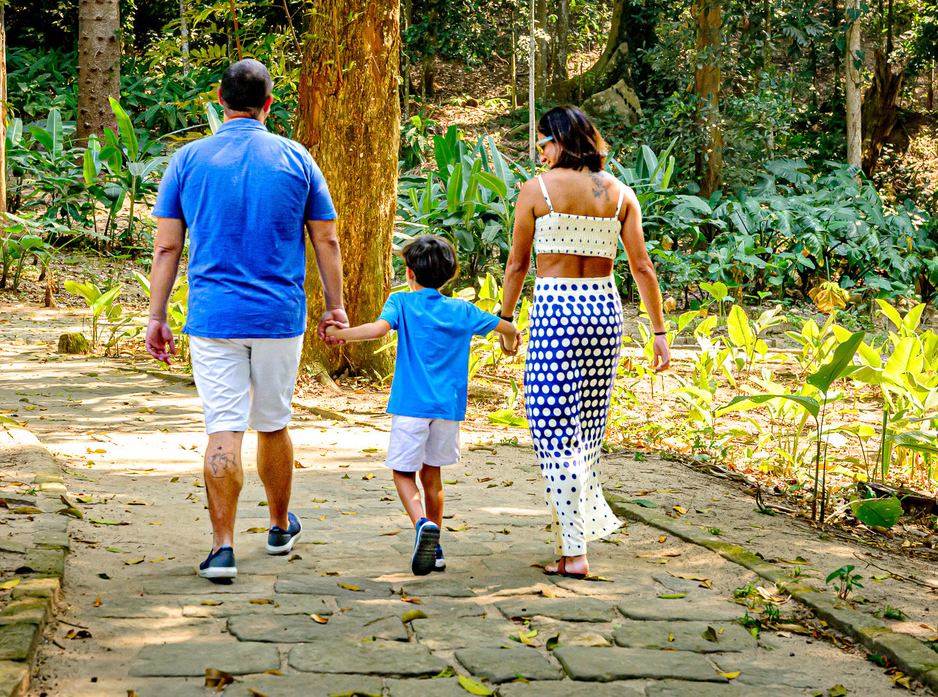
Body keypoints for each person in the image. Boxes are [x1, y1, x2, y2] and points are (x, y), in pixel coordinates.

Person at [145, 58, 347, 581]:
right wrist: (335, 305)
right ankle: (279, 526)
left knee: (223, 430)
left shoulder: (188, 160)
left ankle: (223, 547)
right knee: (274, 423)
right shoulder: (296, 158)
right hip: (280, 316)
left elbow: (168, 247)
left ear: (219, 98)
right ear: (269, 104)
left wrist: (156, 314)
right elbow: (325, 238)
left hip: (213, 317)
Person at [498, 106, 670, 579]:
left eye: (543, 142)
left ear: (560, 140)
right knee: (588, 432)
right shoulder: (620, 194)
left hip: (556, 310)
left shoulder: (537, 190)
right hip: (604, 310)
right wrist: (658, 332)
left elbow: (517, 266)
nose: (541, 151)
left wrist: (506, 318)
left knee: (550, 428)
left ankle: (575, 549)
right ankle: (577, 532)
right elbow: (643, 268)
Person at [325, 235, 518, 575]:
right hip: (447, 410)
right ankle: (437, 547)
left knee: (402, 472)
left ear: (409, 272)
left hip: (411, 406)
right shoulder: (463, 310)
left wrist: (342, 334)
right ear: (451, 274)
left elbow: (376, 330)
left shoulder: (401, 303)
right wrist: (508, 342)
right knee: (433, 477)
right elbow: (508, 327)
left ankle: (420, 524)